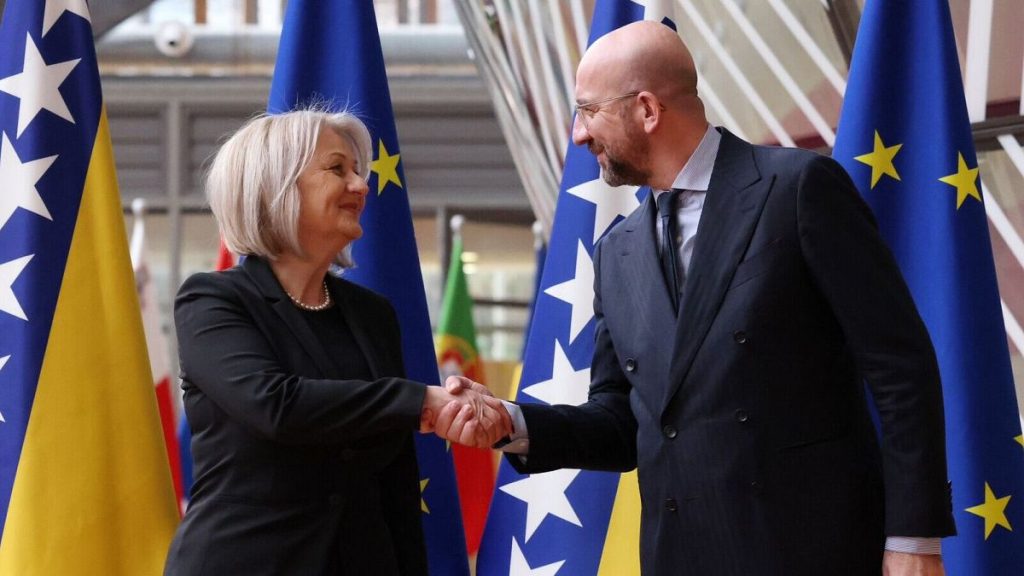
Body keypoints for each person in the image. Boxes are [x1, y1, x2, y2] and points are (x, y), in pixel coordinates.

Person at [438, 21, 956, 576]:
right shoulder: (616, 253)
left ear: (647, 110)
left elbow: (899, 367)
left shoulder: (799, 190)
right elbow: (621, 424)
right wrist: (511, 423)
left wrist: (914, 538)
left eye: (588, 111)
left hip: (811, 552)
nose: (579, 135)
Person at [164, 110, 508, 575]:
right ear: (276, 186)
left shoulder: (372, 315)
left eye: (358, 171)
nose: (361, 186)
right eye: (337, 169)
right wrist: (421, 400)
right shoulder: (213, 300)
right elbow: (274, 405)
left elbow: (396, 483)